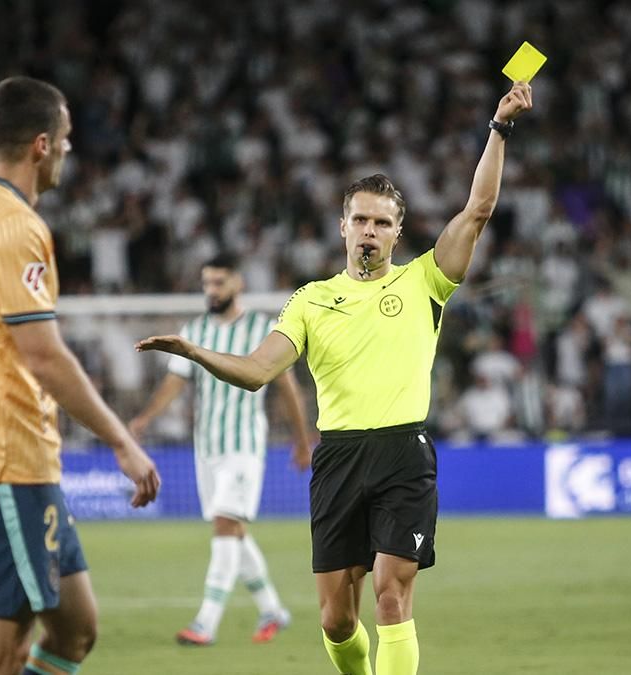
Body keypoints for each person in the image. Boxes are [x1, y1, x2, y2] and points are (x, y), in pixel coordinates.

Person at [138, 82, 533, 675]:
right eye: (360, 220)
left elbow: (477, 210)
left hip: (403, 452)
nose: (370, 231)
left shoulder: (425, 280)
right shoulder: (310, 301)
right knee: (336, 621)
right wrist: (194, 351)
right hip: (339, 458)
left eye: (381, 222)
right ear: (342, 226)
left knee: (391, 597)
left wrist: (498, 129)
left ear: (397, 233)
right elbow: (256, 371)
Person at [0, 76, 161, 675]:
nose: (68, 151)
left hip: (3, 454)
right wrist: (121, 440)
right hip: (2, 455)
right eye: (65, 140)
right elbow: (43, 354)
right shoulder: (14, 227)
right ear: (40, 145)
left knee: (74, 628)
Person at [128, 252, 315, 646]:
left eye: (219, 282)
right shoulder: (194, 330)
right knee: (234, 531)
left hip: (244, 445)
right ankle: (272, 609)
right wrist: (144, 419)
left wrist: (302, 440)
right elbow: (174, 383)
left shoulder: (262, 330)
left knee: (225, 526)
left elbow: (287, 389)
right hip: (207, 448)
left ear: (238, 283)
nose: (211, 290)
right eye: (206, 283)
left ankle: (205, 623)